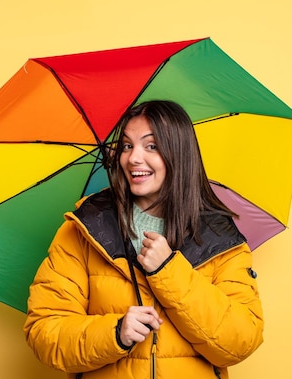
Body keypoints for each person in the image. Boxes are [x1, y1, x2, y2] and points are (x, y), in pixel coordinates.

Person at [24, 100, 264, 379]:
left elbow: (239, 342)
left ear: (180, 154)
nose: (134, 158)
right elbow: (44, 332)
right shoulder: (84, 229)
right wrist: (115, 333)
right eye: (127, 146)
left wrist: (168, 271)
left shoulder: (220, 237)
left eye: (151, 146)